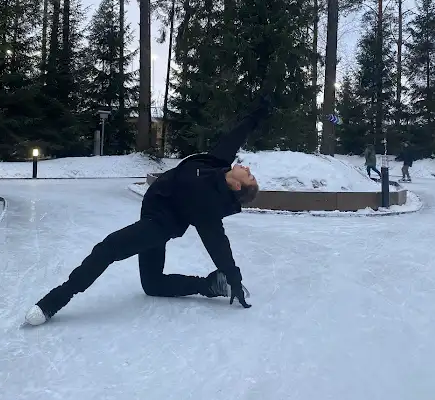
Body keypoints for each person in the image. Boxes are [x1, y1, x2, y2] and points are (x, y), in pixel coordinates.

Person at [24, 94, 273, 326]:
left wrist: (233, 277)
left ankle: (53, 301)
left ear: (237, 185)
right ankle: (210, 285)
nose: (248, 169)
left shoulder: (208, 204)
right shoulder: (218, 164)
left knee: (108, 248)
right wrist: (258, 114)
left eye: (250, 177)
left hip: (160, 224)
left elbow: (217, 242)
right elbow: (234, 137)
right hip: (153, 206)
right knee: (152, 285)